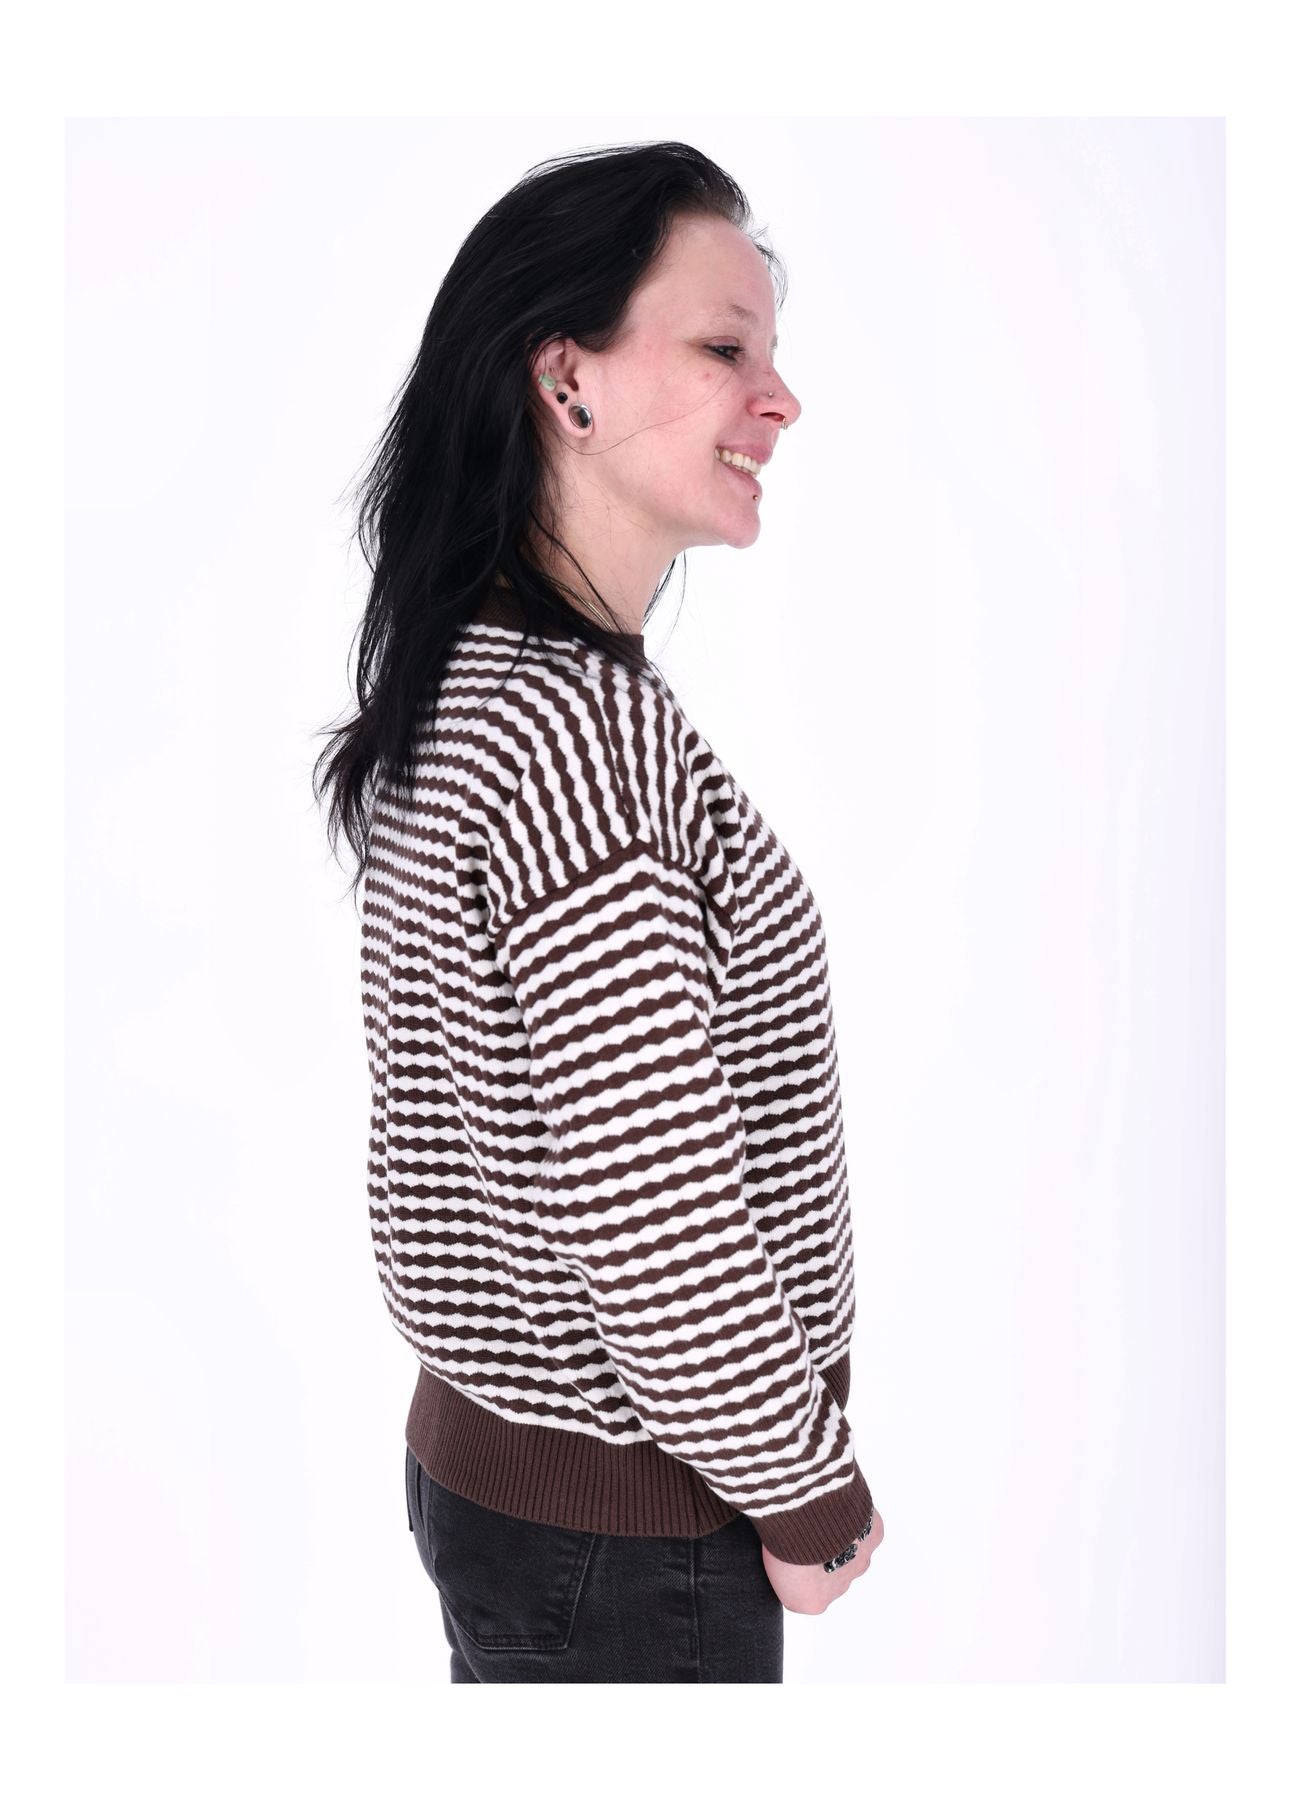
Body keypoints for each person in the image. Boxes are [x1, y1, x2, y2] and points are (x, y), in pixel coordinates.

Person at [314, 140, 883, 1683]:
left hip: (504, 1485)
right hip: (633, 1538)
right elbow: (655, 1210)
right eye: (723, 349)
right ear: (565, 382)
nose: (780, 399)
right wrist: (808, 1490)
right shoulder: (579, 734)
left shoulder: (469, 679)